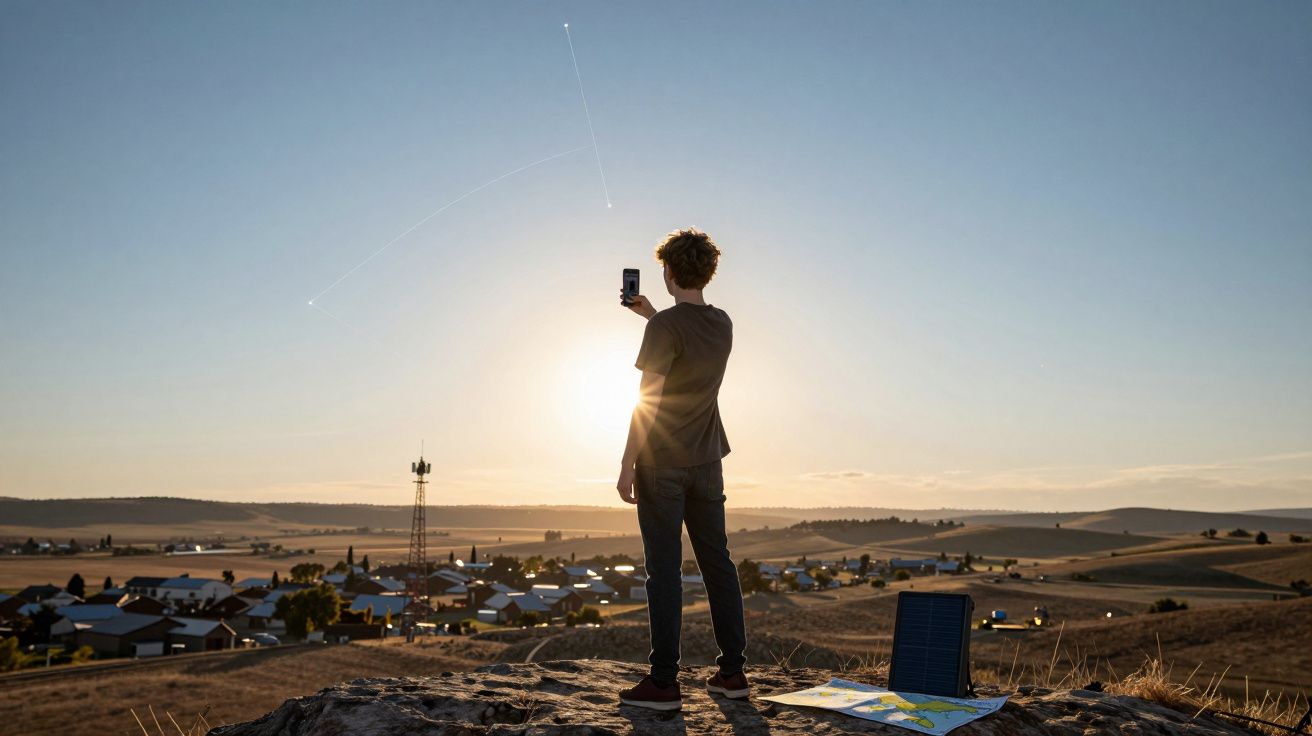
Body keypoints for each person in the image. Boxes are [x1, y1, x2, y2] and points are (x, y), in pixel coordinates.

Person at [615, 228, 748, 711]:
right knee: (718, 564)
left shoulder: (664, 328)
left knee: (664, 572)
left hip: (662, 464)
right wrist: (652, 315)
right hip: (708, 461)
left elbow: (648, 400)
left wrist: (627, 462)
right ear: (708, 272)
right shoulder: (722, 323)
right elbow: (686, 340)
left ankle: (664, 683)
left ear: (668, 271)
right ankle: (732, 673)